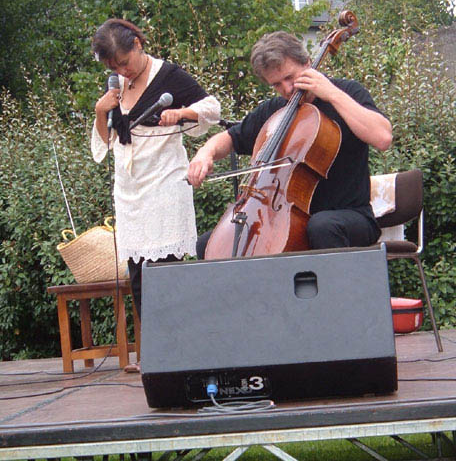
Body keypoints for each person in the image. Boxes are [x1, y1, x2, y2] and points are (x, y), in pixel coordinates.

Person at [187, 31, 392, 257]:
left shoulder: (347, 93)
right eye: (276, 84)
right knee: (209, 244)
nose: (287, 89)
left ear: (307, 64)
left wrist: (331, 93)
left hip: (348, 216)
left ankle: (337, 293)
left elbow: (382, 138)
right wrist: (204, 153)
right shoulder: (275, 111)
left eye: (290, 77)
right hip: (284, 217)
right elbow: (229, 138)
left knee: (322, 226)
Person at [91, 19, 220, 370]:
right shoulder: (116, 85)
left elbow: (213, 109)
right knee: (138, 274)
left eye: (123, 62)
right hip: (130, 191)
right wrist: (102, 112)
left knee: (166, 271)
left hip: (164, 184)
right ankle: (155, 352)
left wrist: (182, 112)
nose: (120, 71)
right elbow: (104, 146)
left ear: (137, 44)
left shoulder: (169, 76)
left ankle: (176, 352)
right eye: (113, 67)